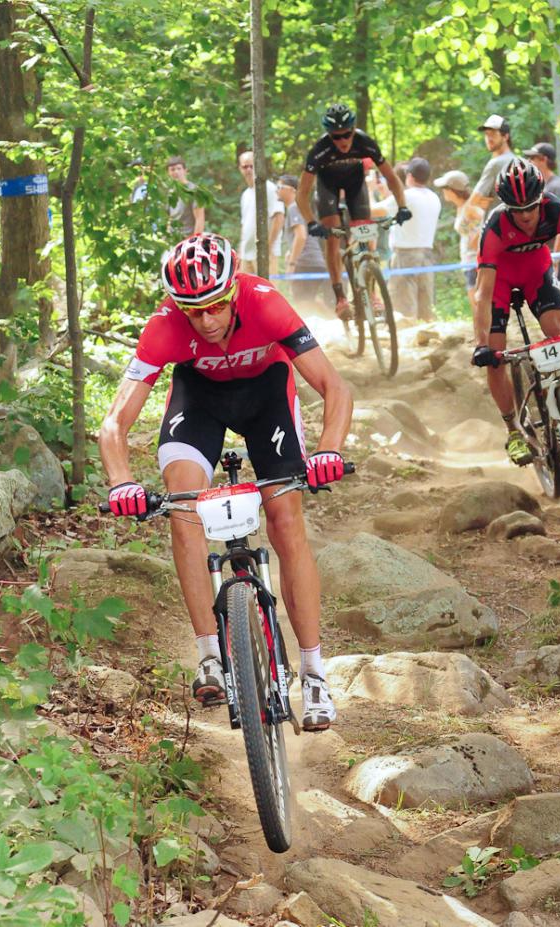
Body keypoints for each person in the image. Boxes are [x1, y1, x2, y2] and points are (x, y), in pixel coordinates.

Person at [99, 234, 353, 732]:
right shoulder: (165, 326)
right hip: (200, 403)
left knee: (284, 518)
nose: (208, 320)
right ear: (178, 307)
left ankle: (314, 672)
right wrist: (120, 482)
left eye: (216, 305)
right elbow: (114, 423)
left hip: (266, 398)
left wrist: (329, 450)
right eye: (195, 312)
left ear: (233, 292)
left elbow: (333, 386)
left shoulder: (265, 303)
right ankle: (210, 655)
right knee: (182, 509)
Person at [471, 158, 560, 465]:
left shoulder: (557, 209)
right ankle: (513, 430)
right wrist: (481, 344)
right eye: (517, 209)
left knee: (557, 332)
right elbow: (483, 293)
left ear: (542, 198)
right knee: (495, 357)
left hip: (536, 273)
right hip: (499, 282)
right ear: (506, 207)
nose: (525, 215)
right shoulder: (495, 227)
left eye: (531, 207)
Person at [295, 103, 411, 321]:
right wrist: (311, 222)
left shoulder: (364, 142)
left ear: (353, 130)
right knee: (332, 234)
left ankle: (373, 293)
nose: (343, 141)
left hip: (355, 185)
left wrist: (403, 205)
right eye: (336, 137)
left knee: (365, 234)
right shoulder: (319, 150)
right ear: (329, 135)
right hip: (327, 186)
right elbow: (302, 193)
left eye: (347, 134)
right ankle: (340, 297)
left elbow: (391, 177)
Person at [389, 157, 441, 322]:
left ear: (409, 176)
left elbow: (376, 211)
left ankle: (407, 340)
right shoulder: (434, 197)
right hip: (426, 253)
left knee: (404, 307)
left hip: (405, 255)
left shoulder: (406, 196)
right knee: (425, 303)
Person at [276, 174, 333, 312]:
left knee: (303, 304)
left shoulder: (294, 207)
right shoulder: (297, 207)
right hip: (313, 261)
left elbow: (301, 236)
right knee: (306, 300)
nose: (276, 190)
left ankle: (334, 320)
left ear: (292, 190)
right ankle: (336, 318)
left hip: (306, 262)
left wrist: (292, 264)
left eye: (280, 187)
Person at [433, 169, 484, 310]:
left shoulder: (469, 207)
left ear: (452, 190)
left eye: (445, 188)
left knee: (478, 305)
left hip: (475, 262)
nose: (443, 191)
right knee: (476, 305)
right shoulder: (462, 207)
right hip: (469, 262)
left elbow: (484, 222)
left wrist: (476, 242)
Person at [523, 142, 560, 282]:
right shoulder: (540, 186)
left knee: (559, 298)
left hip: (556, 256)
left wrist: (556, 258)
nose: (529, 162)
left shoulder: (557, 186)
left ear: (544, 159)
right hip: (543, 254)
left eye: (533, 158)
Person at [238, 151, 285, 275]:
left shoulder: (269, 188)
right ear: (240, 169)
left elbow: (279, 217)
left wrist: (267, 248)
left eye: (251, 166)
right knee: (244, 293)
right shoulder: (245, 195)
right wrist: (240, 254)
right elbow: (244, 227)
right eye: (245, 166)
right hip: (246, 255)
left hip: (265, 254)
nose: (248, 170)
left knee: (266, 292)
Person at [467, 114, 515, 211]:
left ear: (505, 136)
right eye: (486, 134)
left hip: (497, 222)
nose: (489, 139)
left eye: (493, 134)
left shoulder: (495, 164)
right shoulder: (518, 161)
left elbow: (473, 201)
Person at [167, 156, 205, 238]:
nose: (176, 172)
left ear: (185, 171)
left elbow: (200, 219)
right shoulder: (171, 192)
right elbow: (170, 218)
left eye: (179, 168)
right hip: (173, 240)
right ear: (168, 172)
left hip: (188, 239)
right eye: (172, 169)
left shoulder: (194, 191)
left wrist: (195, 242)